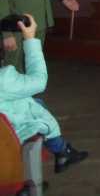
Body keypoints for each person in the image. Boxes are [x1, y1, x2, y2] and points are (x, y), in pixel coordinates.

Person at [0, 14, 88, 173]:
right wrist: (30, 40)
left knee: (34, 104)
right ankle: (60, 153)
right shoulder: (4, 80)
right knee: (36, 108)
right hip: (6, 139)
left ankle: (62, 152)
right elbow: (39, 82)